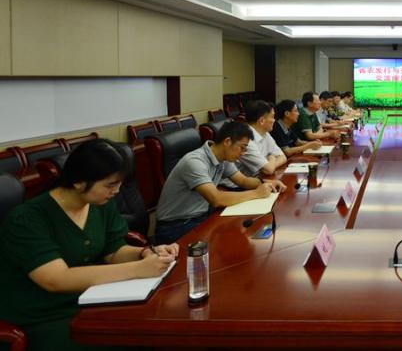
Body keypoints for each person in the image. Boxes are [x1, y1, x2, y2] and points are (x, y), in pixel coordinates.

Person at [0, 139, 179, 351]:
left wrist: (145, 253)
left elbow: (114, 251)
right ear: (79, 181)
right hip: (42, 317)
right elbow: (56, 279)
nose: (117, 191)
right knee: (134, 337)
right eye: (110, 185)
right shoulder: (27, 219)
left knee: (156, 322)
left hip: (89, 301)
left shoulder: (100, 204)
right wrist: (138, 269)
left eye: (119, 183)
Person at [154, 121, 286, 244]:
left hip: (200, 217)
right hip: (175, 226)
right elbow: (216, 199)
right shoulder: (194, 162)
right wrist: (257, 193)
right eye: (242, 148)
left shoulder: (223, 158)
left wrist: (267, 182)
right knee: (231, 243)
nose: (243, 153)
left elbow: (243, 181)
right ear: (227, 142)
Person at [224, 100, 287, 187]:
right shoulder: (246, 140)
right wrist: (272, 157)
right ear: (261, 121)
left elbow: (283, 157)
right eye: (272, 117)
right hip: (237, 186)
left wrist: (271, 163)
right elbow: (268, 170)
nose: (274, 120)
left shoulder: (265, 133)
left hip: (257, 180)